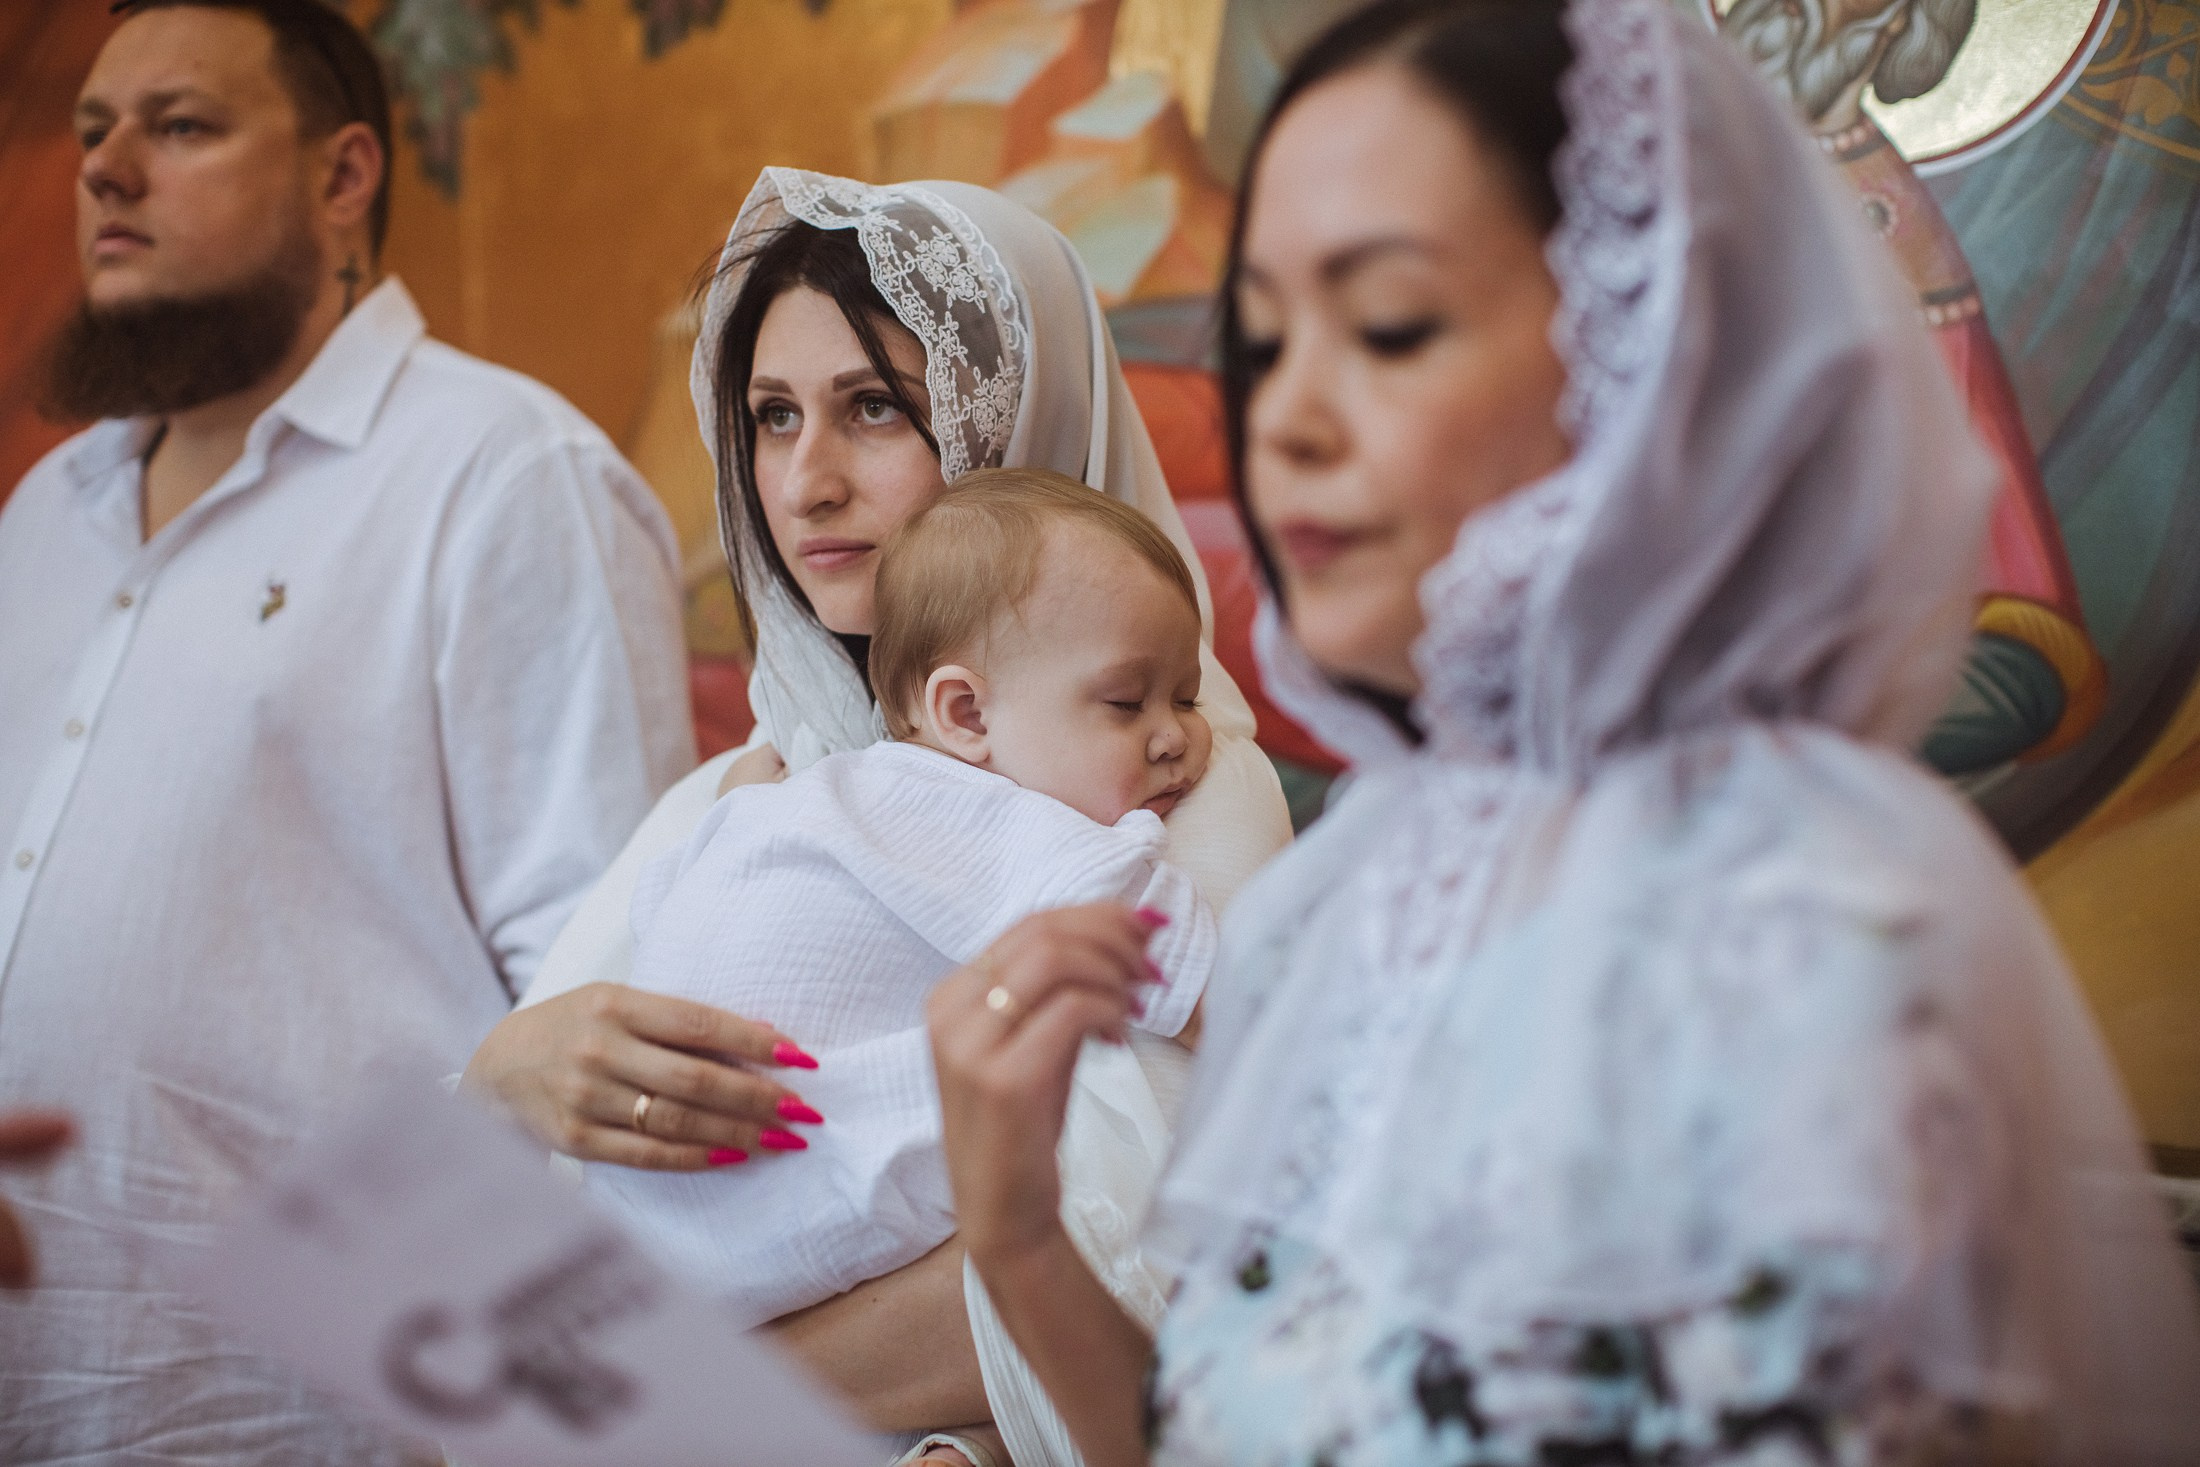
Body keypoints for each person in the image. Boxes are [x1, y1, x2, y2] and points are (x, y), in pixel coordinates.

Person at [925, 2, 2200, 1465]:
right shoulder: (1337, 906)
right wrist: (1021, 1240)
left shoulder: (1802, 923)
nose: (1285, 421)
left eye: (1389, 325)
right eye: (1264, 341)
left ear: (1648, 358)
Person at [462, 170, 1293, 1464]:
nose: (807, 482)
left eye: (874, 408)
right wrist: (507, 1077)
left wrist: (667, 1386)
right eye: (772, 416)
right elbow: (484, 1281)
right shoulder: (738, 792)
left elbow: (1149, 1261)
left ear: (1013, 414)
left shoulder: (1173, 782)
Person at [0, 1, 691, 1460]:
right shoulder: (44, 511)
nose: (107, 168)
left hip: (314, 1406)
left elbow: (605, 997)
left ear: (343, 174)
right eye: (94, 131)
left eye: (181, 126)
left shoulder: (502, 472)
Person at [590, 470, 1216, 1332]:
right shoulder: (990, 814)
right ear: (965, 715)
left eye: (1187, 697)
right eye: (1126, 702)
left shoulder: (798, 795)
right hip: (782, 1205)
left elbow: (659, 902)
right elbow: (1196, 984)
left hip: (640, 1222)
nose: (1176, 735)